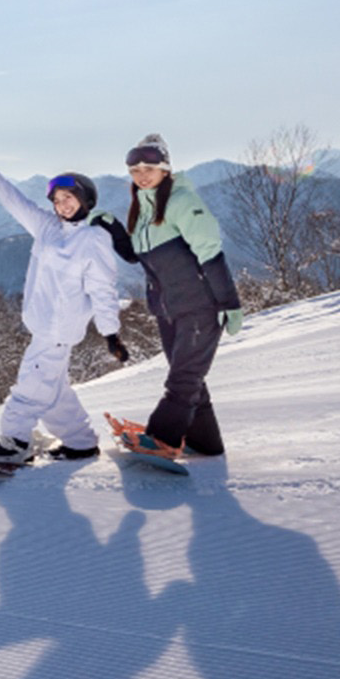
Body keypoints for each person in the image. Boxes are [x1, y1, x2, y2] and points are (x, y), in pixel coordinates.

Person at [0, 154, 131, 463]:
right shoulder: (48, 227)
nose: (62, 205)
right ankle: (80, 442)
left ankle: (15, 442)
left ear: (85, 199)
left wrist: (111, 334)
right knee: (54, 391)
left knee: (30, 388)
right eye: (57, 200)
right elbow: (15, 202)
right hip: (43, 326)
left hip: (58, 330)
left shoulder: (93, 239)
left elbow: (102, 289)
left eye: (68, 198)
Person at [118, 133, 241, 458]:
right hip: (168, 309)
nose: (142, 175)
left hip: (200, 306)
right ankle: (206, 442)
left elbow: (210, 251)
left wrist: (229, 302)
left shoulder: (182, 202)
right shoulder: (143, 209)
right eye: (135, 170)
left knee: (183, 379)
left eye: (149, 168)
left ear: (165, 168)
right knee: (189, 377)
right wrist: (111, 228)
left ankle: (163, 438)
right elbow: (137, 256)